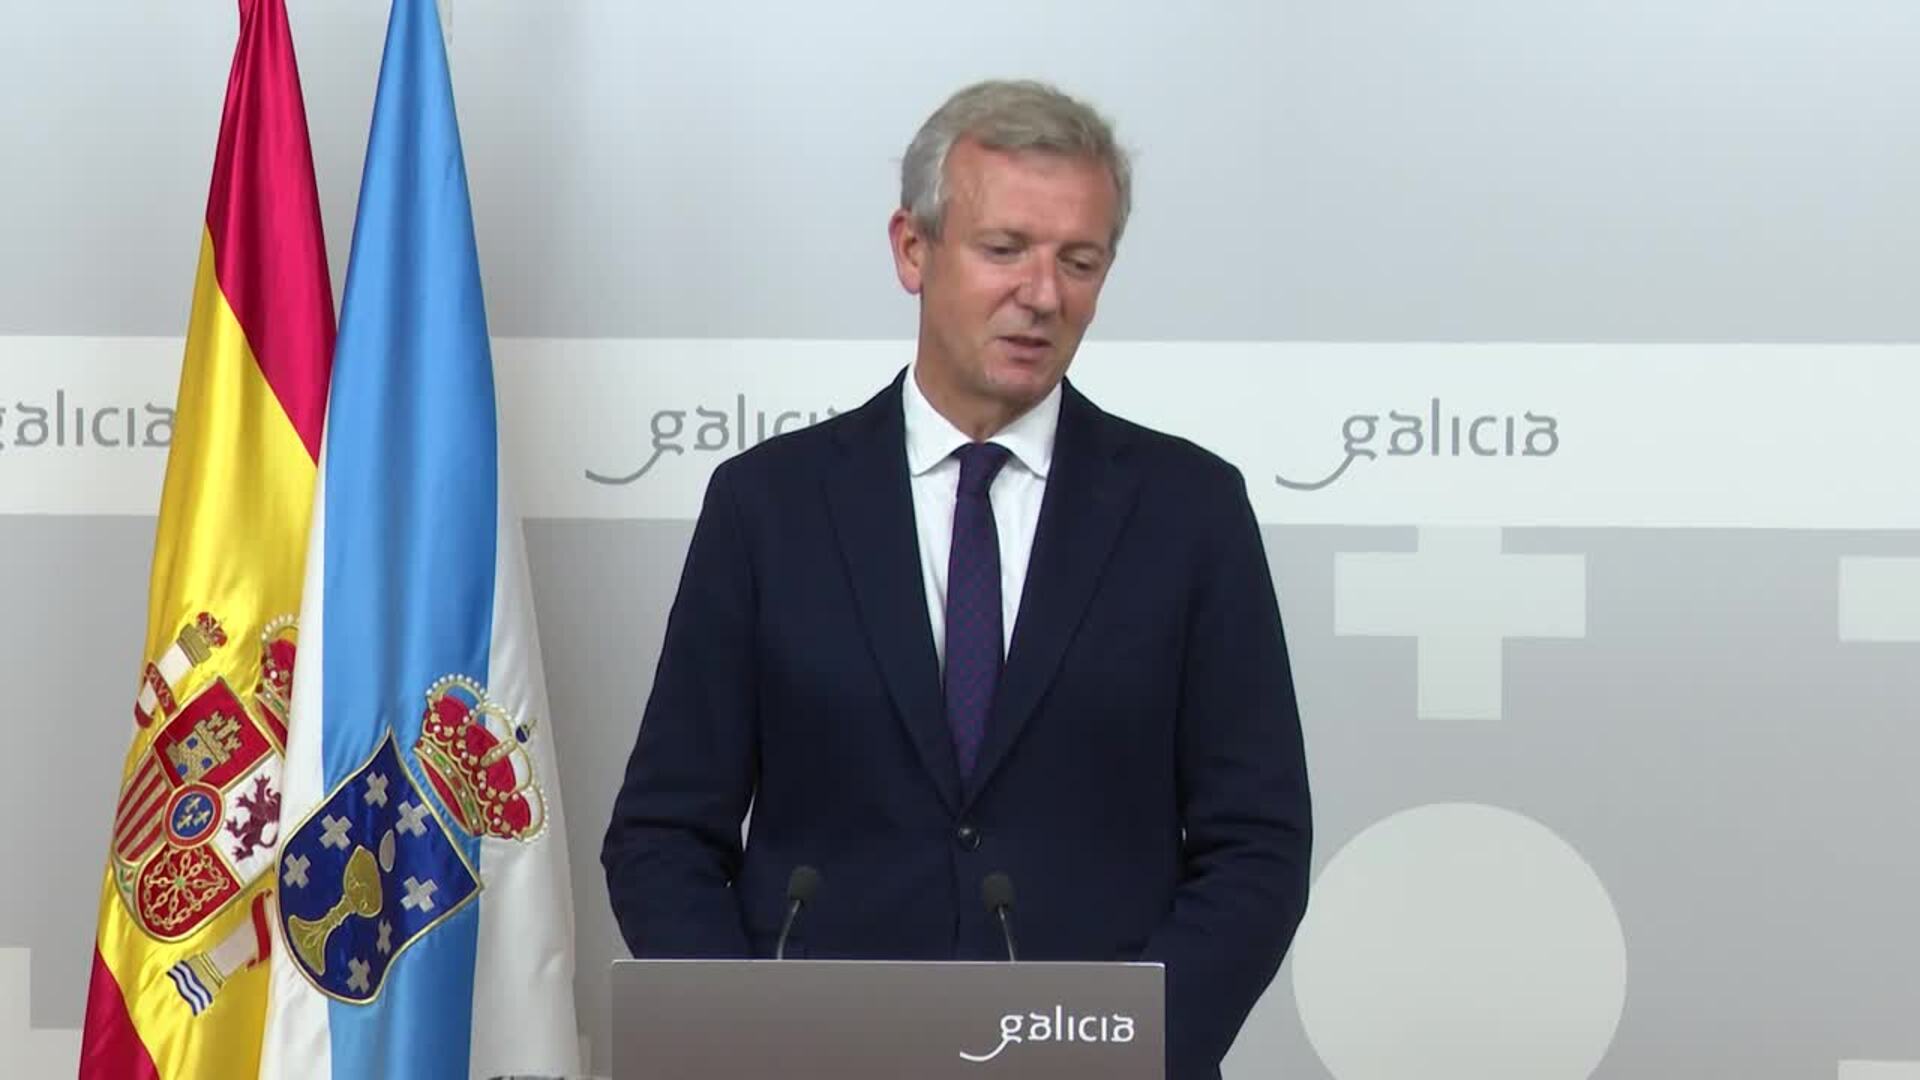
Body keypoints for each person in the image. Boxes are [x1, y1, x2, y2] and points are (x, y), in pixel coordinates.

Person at [602, 79, 1311, 1080]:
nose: (1043, 294)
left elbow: (1258, 846)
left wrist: (1122, 1050)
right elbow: (663, 834)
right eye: (1005, 249)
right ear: (912, 248)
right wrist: (747, 1040)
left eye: (1079, 261)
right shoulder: (768, 507)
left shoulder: (1189, 511)